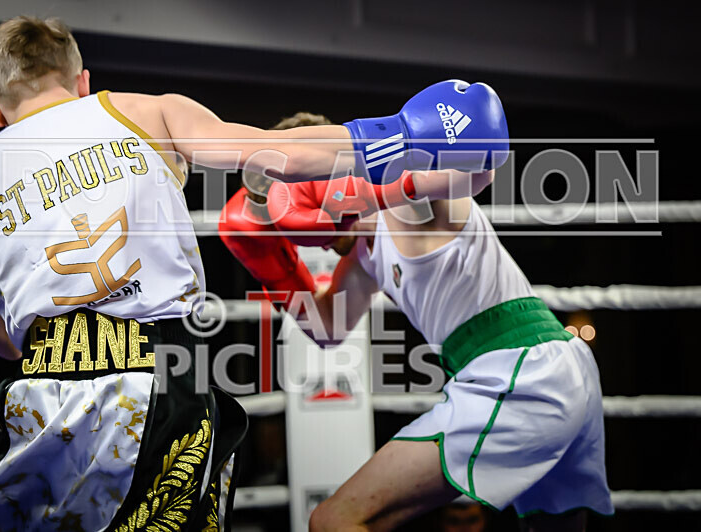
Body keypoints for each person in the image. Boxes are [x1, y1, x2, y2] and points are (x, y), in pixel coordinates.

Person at [0, 14, 507, 531]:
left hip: (38, 397)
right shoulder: (140, 111)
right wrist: (399, 135)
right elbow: (271, 153)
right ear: (82, 81)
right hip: (150, 380)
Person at [219, 131, 613, 530]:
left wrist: (363, 154)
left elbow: (477, 162)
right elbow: (327, 326)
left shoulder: (412, 196)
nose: (296, 226)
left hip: (519, 374)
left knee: (333, 520)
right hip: (555, 367)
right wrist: (271, 264)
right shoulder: (362, 255)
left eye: (293, 202)